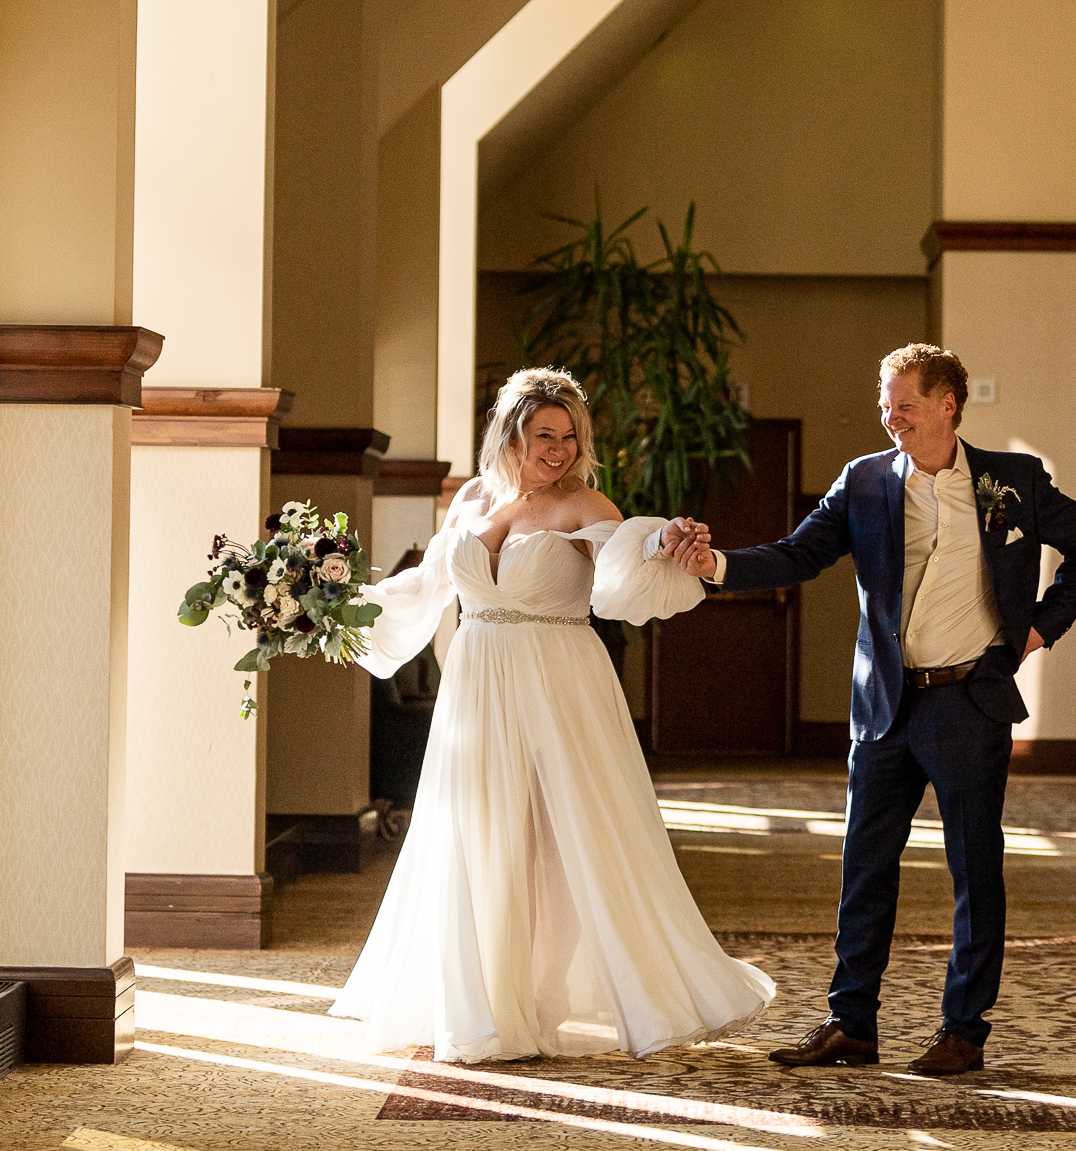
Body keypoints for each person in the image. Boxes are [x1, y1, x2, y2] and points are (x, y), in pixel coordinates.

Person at [661, 344, 1076, 1077]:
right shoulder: (864, 481)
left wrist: (1037, 629)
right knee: (864, 865)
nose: (889, 416)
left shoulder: (1012, 481)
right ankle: (852, 1024)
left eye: (904, 403)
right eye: (884, 403)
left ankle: (963, 1030)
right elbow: (799, 554)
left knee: (974, 868)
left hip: (970, 701)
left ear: (948, 406)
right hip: (886, 706)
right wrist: (717, 565)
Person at [328, 367, 775, 1062]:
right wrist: (333, 605)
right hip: (477, 685)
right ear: (511, 434)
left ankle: (552, 997)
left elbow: (625, 566)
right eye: (545, 434)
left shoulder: (582, 503)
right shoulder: (470, 498)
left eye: (569, 436)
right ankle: (483, 1005)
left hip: (559, 683)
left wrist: (663, 544)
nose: (560, 449)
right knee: (478, 834)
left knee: (562, 839)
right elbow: (426, 586)